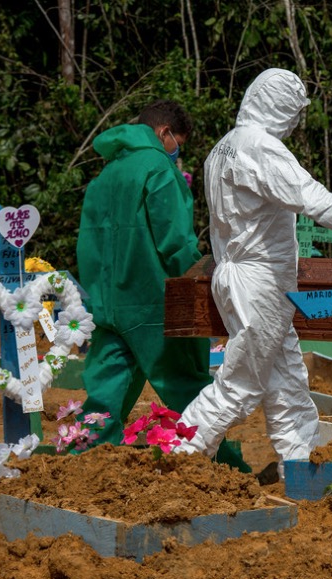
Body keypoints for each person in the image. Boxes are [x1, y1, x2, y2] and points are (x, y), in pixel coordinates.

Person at [176, 68, 332, 473]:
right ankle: (177, 457)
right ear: (280, 108)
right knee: (241, 385)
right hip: (259, 281)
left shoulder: (223, 146)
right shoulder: (260, 148)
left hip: (241, 274)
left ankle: (301, 460)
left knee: (287, 377)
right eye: (292, 112)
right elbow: (312, 199)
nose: (293, 123)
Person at [78, 100, 243, 464]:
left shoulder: (106, 174)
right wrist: (204, 280)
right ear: (164, 133)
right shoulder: (157, 169)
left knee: (105, 392)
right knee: (186, 386)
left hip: (107, 302)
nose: (176, 152)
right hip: (154, 302)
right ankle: (227, 468)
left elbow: (89, 242)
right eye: (177, 143)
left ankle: (82, 464)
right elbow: (174, 242)